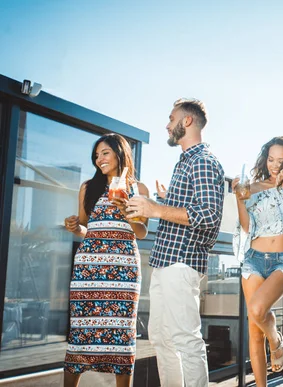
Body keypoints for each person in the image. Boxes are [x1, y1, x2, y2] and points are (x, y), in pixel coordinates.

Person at [126, 98, 225, 387]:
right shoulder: (185, 162)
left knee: (185, 340)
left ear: (187, 121)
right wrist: (165, 201)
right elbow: (189, 211)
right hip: (164, 261)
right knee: (161, 338)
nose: (167, 124)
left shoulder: (203, 161)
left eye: (171, 118)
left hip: (181, 263)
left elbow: (208, 217)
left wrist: (155, 209)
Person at [63, 133, 149, 387]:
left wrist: (126, 211)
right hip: (89, 271)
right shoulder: (88, 188)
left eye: (105, 153)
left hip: (123, 271)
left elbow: (141, 232)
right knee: (80, 333)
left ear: (119, 153)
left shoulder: (138, 189)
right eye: (97, 155)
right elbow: (86, 228)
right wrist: (74, 227)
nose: (99, 159)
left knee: (122, 336)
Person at [232, 136, 283, 387]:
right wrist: (239, 199)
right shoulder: (253, 188)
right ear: (264, 159)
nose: (274, 165)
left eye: (282, 160)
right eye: (271, 159)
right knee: (253, 329)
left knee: (257, 309)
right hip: (254, 258)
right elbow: (247, 225)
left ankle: (276, 340)